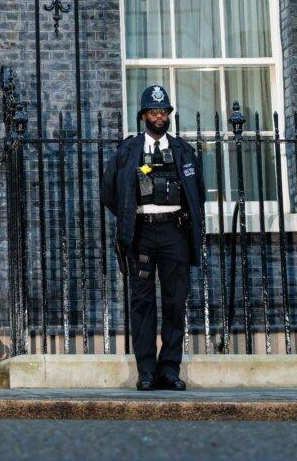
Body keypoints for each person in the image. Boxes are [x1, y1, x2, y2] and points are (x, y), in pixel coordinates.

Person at [101, 85, 205, 391]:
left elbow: (197, 192)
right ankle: (146, 371)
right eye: (153, 111)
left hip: (175, 231)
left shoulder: (183, 150)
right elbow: (109, 192)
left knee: (176, 301)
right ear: (143, 116)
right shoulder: (128, 151)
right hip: (142, 232)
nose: (159, 116)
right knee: (142, 303)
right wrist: (129, 215)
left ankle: (169, 370)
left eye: (163, 112)